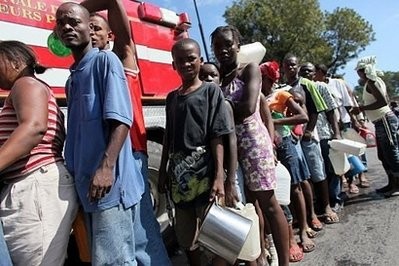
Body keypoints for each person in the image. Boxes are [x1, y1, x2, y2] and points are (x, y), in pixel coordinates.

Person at [80, 0, 171, 264]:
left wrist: (79, 7)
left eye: (96, 28)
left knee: (142, 231)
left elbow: (114, 9)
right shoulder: (88, 69)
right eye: (89, 28)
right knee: (124, 234)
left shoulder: (121, 60)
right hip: (107, 158)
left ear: (110, 36)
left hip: (130, 154)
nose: (91, 32)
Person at [55, 3, 144, 265]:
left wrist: (106, 168)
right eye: (61, 23)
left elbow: (121, 120)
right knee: (103, 258)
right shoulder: (73, 78)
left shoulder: (106, 61)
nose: (67, 27)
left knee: (115, 260)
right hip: (86, 187)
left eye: (74, 22)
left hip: (108, 186)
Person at [211, 25, 289, 266]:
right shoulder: (216, 78)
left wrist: (218, 110)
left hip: (253, 144)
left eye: (228, 44)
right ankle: (261, 255)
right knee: (249, 206)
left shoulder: (249, 70)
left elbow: (246, 108)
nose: (223, 50)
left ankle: (284, 261)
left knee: (268, 203)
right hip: (231, 149)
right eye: (217, 46)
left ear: (237, 45)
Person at [0, 40, 78, 265]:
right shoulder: (33, 87)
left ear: (15, 62)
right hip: (33, 185)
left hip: (35, 185)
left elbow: (34, 128)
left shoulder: (25, 84)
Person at [158, 38, 233, 266]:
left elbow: (217, 136)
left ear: (200, 61)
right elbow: (168, 137)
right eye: (180, 60)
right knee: (186, 236)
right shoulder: (172, 98)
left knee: (218, 234)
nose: (186, 64)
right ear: (173, 65)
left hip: (206, 176)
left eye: (191, 59)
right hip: (180, 181)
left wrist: (220, 176)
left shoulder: (211, 92)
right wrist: (163, 171)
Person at [282, 54, 339, 225]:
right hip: (293, 137)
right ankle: (309, 212)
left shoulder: (307, 85)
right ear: (283, 67)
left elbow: (314, 110)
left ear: (297, 66)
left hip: (308, 136)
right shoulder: (282, 88)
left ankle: (327, 206)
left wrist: (309, 131)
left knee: (317, 171)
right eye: (288, 65)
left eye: (294, 65)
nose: (291, 68)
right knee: (303, 176)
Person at [352, 56, 399, 197]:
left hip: (384, 119)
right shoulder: (372, 82)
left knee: (391, 153)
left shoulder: (372, 82)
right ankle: (392, 183)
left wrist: (361, 108)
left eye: (359, 71)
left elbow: (383, 102)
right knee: (384, 155)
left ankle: (397, 185)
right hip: (380, 121)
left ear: (363, 71)